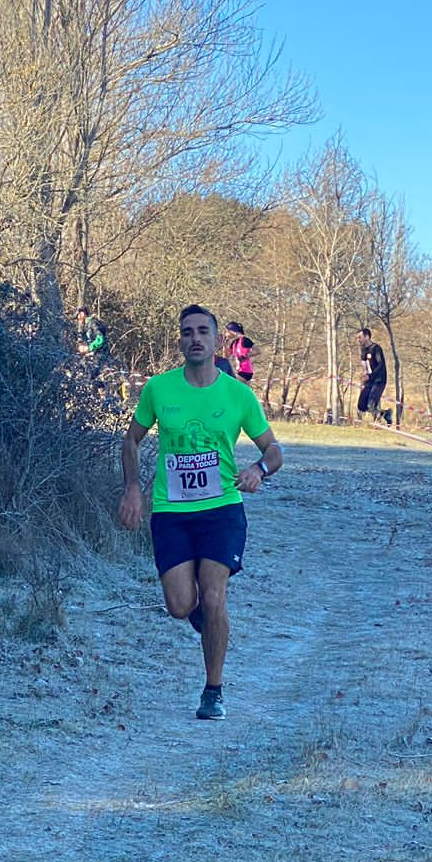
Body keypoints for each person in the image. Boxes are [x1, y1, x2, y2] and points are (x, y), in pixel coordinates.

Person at [118, 305, 283, 721]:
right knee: (180, 605)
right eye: (187, 332)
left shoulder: (238, 394)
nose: (195, 338)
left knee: (214, 595)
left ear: (215, 341)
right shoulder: (159, 389)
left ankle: (213, 690)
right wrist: (133, 488)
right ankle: (208, 623)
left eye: (203, 332)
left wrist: (257, 470)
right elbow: (131, 441)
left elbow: (274, 451)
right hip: (172, 512)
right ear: (180, 341)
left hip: (222, 510)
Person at [357, 330, 388, 423]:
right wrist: (363, 376)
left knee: (371, 403)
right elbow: (365, 366)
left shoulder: (376, 348)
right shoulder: (363, 350)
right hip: (369, 381)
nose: (358, 340)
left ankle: (379, 421)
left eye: (360, 337)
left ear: (367, 337)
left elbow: (381, 365)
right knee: (361, 405)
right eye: (357, 338)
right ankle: (385, 413)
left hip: (379, 380)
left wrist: (370, 376)